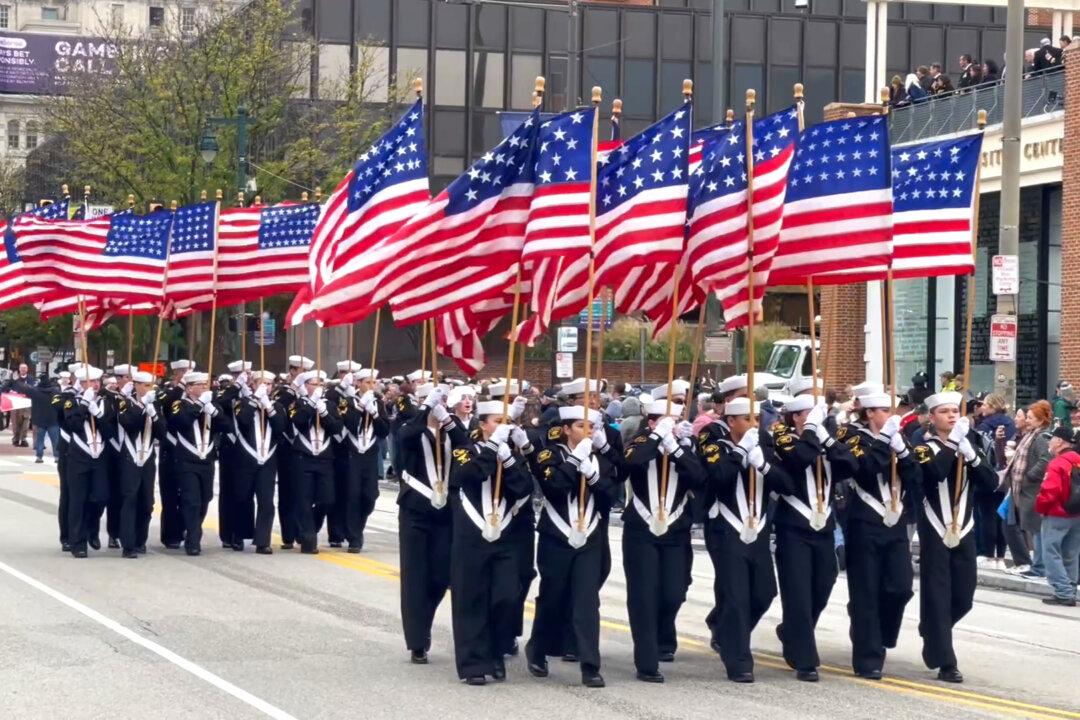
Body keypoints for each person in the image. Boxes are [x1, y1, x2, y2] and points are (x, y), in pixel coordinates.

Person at [702, 397, 793, 683]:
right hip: (727, 530)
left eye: (757, 419)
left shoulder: (764, 446)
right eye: (748, 419)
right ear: (731, 421)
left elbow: (788, 485)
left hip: (759, 529)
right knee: (737, 597)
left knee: (764, 592)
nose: (756, 424)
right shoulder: (717, 447)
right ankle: (739, 660)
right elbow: (718, 477)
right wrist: (741, 451)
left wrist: (763, 465)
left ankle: (727, 631)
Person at [526, 406, 615, 688]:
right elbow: (553, 488)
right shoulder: (549, 454)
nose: (587, 431)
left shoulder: (599, 458)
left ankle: (590, 665)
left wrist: (596, 477)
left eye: (591, 426)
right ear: (566, 429)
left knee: (587, 601)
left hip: (589, 536)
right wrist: (575, 461)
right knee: (553, 597)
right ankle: (538, 649)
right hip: (557, 535)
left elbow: (611, 497)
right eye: (580, 426)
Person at [913, 391, 998, 683]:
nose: (952, 415)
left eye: (954, 411)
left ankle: (934, 631)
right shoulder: (922, 445)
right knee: (937, 594)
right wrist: (952, 444)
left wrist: (972, 456)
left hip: (964, 525)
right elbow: (935, 473)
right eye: (945, 411)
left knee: (964, 596)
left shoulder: (968, 442)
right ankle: (946, 662)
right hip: (935, 525)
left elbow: (991, 482)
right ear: (932, 417)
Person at [448, 399, 534, 685]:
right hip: (471, 536)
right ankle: (474, 664)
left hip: (506, 537)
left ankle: (497, 652)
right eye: (497, 421)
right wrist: (491, 448)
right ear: (483, 424)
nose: (502, 427)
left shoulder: (513, 456)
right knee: (471, 599)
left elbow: (524, 488)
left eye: (506, 422)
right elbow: (468, 475)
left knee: (506, 597)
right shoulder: (464, 451)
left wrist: (508, 459)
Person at [772, 395, 857, 682]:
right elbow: (799, 459)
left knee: (823, 584)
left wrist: (826, 438)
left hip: (823, 527)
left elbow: (850, 465)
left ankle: (792, 631)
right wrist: (810, 431)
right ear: (796, 417)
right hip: (793, 526)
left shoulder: (822, 438)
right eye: (809, 413)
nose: (817, 417)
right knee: (798, 592)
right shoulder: (782, 438)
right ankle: (806, 660)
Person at [622, 398, 704, 683]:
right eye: (666, 419)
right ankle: (646, 661)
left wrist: (677, 448)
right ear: (653, 420)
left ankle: (662, 634)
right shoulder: (639, 440)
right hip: (641, 529)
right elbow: (631, 462)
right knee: (644, 595)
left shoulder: (683, 444)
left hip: (676, 528)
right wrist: (657, 437)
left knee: (674, 590)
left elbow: (699, 476)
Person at [841, 392, 920, 679]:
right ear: (869, 413)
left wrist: (903, 452)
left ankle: (880, 633)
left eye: (891, 409)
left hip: (895, 521)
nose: (890, 414)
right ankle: (868, 658)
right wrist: (884, 441)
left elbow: (915, 478)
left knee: (900, 586)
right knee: (866, 592)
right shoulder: (853, 437)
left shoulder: (899, 438)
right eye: (884, 410)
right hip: (864, 520)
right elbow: (863, 469)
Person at [395, 383, 468, 664]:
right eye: (435, 400)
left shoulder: (451, 431)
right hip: (415, 510)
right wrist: (425, 409)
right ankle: (417, 641)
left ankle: (423, 620)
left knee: (440, 576)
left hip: (446, 512)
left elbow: (466, 444)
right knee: (415, 576)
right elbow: (406, 436)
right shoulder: (410, 428)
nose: (441, 404)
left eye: (443, 400)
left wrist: (446, 419)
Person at [167, 371, 230, 556]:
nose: (204, 387)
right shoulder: (180, 404)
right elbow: (182, 422)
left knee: (205, 498)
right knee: (191, 500)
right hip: (187, 460)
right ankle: (193, 541)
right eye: (200, 385)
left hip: (206, 460)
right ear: (189, 388)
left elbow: (227, 426)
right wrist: (200, 405)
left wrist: (213, 411)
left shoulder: (211, 404)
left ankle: (190, 527)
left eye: (205, 384)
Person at [288, 369, 344, 555]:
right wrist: (312, 404)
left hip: (325, 459)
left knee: (327, 499)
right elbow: (299, 421)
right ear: (305, 386)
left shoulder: (329, 405)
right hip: (303, 458)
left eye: (321, 384)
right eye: (314, 384)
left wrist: (325, 413)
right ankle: (308, 538)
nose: (319, 387)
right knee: (304, 499)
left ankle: (311, 524)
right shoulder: (297, 403)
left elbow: (337, 428)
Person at [230, 370, 286, 555]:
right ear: (253, 384)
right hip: (246, 457)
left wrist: (268, 406)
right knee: (242, 497)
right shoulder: (243, 403)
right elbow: (243, 420)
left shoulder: (276, 405)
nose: (266, 387)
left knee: (267, 501)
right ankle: (239, 534)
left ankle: (263, 540)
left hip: (268, 459)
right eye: (262, 383)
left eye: (269, 384)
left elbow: (280, 428)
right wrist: (255, 400)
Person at [62, 366, 115, 558]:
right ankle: (78, 543)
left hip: (100, 458)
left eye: (97, 382)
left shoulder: (105, 403)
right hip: (78, 458)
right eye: (91, 382)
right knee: (78, 501)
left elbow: (110, 433)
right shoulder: (71, 402)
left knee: (100, 497)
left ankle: (92, 528)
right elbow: (73, 425)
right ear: (82, 384)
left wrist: (98, 415)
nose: (95, 385)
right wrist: (84, 405)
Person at [115, 371, 165, 558]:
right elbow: (129, 424)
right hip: (130, 457)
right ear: (136, 385)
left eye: (151, 385)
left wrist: (154, 415)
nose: (149, 389)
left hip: (148, 458)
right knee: (130, 499)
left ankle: (140, 540)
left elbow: (162, 433)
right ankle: (128, 545)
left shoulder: (155, 404)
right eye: (145, 385)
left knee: (147, 502)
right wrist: (142, 406)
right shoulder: (125, 403)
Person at [340, 368, 390, 551]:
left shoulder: (378, 402)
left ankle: (356, 526)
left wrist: (374, 413)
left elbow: (384, 430)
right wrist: (361, 407)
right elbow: (350, 425)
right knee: (353, 495)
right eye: (367, 382)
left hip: (369, 454)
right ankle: (355, 537)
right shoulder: (348, 401)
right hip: (352, 454)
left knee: (369, 496)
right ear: (358, 383)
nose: (371, 386)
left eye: (373, 382)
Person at [1004, 401, 1052, 579]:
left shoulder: (1040, 438)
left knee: (1037, 530)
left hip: (1032, 490)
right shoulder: (1031, 435)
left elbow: (1046, 459)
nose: (1027, 420)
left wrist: (1029, 476)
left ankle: (1039, 567)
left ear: (1040, 420)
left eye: (1031, 418)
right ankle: (1038, 565)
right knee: (1033, 529)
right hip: (1025, 489)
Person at [1035, 426, 1080, 606]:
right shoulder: (1077, 460)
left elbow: (1049, 490)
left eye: (1052, 438)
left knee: (1051, 552)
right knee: (1071, 552)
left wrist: (1040, 508)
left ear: (1060, 441)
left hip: (1057, 513)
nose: (1050, 442)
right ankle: (1070, 589)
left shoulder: (1057, 463)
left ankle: (1062, 591)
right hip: (1076, 513)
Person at [157, 359, 194, 549]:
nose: (186, 376)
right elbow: (165, 404)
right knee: (170, 494)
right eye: (183, 372)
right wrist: (180, 387)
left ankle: (189, 528)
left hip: (191, 450)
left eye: (190, 373)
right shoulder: (166, 392)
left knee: (190, 495)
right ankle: (171, 534)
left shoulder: (195, 394)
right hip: (170, 449)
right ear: (175, 374)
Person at [974, 393, 1014, 569]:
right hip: (1005, 476)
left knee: (986, 516)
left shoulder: (984, 426)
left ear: (992, 406)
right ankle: (1000, 554)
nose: (982, 407)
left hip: (988, 476)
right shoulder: (1011, 424)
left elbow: (980, 452)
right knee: (1000, 517)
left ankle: (987, 554)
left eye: (984, 404)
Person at [15, 372, 60, 463]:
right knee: (55, 440)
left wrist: (16, 381)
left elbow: (23, 389)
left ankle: (39, 457)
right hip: (53, 419)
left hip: (39, 419)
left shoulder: (35, 391)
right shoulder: (55, 391)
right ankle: (57, 457)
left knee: (39, 439)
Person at [5, 362, 33, 447]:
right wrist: (11, 391)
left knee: (26, 422)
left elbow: (33, 389)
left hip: (26, 403)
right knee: (16, 423)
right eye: (21, 368)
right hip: (16, 403)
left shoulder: (31, 378)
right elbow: (5, 387)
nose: (23, 370)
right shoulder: (14, 378)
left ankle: (23, 439)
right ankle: (16, 439)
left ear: (27, 369)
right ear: (19, 369)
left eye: (25, 368)